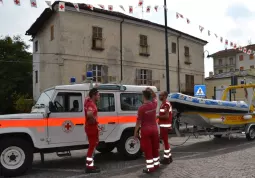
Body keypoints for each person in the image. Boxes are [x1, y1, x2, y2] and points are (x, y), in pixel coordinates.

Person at [134, 87, 160, 173]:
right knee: (155, 148)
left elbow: (138, 123)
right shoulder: (154, 104)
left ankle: (150, 168)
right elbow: (155, 97)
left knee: (148, 149)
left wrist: (135, 133)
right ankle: (156, 164)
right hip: (155, 129)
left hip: (146, 130)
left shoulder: (141, 108)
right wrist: (151, 90)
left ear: (144, 97)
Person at [84, 88, 100, 173]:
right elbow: (89, 113)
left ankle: (90, 164)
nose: (99, 96)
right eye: (98, 95)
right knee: (92, 147)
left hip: (89, 127)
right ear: (94, 95)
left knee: (92, 146)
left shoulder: (88, 101)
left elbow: (87, 97)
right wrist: (95, 120)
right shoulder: (91, 104)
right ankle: (89, 167)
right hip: (92, 128)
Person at [157, 91, 173, 164]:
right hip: (163, 125)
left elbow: (166, 116)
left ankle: (166, 159)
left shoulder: (166, 104)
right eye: (159, 95)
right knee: (165, 142)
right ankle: (169, 157)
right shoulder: (163, 104)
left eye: (161, 95)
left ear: (165, 96)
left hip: (165, 126)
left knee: (165, 143)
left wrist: (158, 116)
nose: (159, 96)